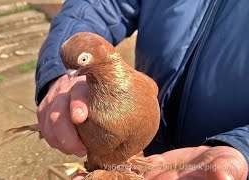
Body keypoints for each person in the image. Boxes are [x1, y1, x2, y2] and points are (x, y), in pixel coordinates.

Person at [35, 0, 249, 179]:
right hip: (147, 149)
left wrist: (242, 145)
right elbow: (102, 4)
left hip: (224, 155)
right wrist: (58, 75)